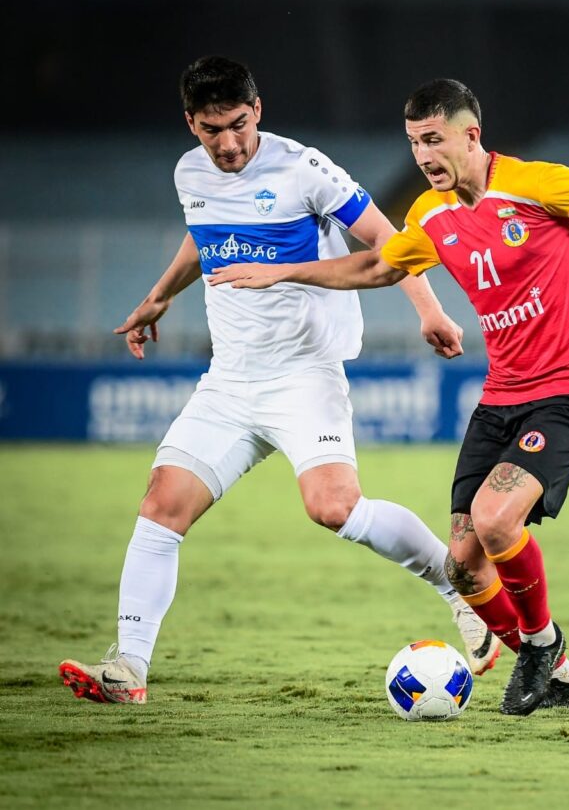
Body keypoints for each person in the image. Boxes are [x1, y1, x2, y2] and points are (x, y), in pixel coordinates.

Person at [209, 78, 569, 715]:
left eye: (434, 140)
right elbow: (378, 267)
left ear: (471, 136)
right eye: (413, 144)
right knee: (462, 565)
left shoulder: (539, 185)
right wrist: (283, 270)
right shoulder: (429, 216)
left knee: (494, 520)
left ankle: (542, 645)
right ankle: (565, 679)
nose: (424, 156)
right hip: (502, 396)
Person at [58, 58, 501, 705]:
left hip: (304, 374)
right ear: (192, 124)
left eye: (239, 125)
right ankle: (127, 666)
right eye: (213, 130)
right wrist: (159, 297)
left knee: (334, 508)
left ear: (257, 110)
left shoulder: (303, 168)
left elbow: (388, 240)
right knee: (161, 507)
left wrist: (429, 309)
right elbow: (202, 235)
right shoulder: (191, 173)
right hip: (230, 381)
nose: (229, 143)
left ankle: (453, 580)